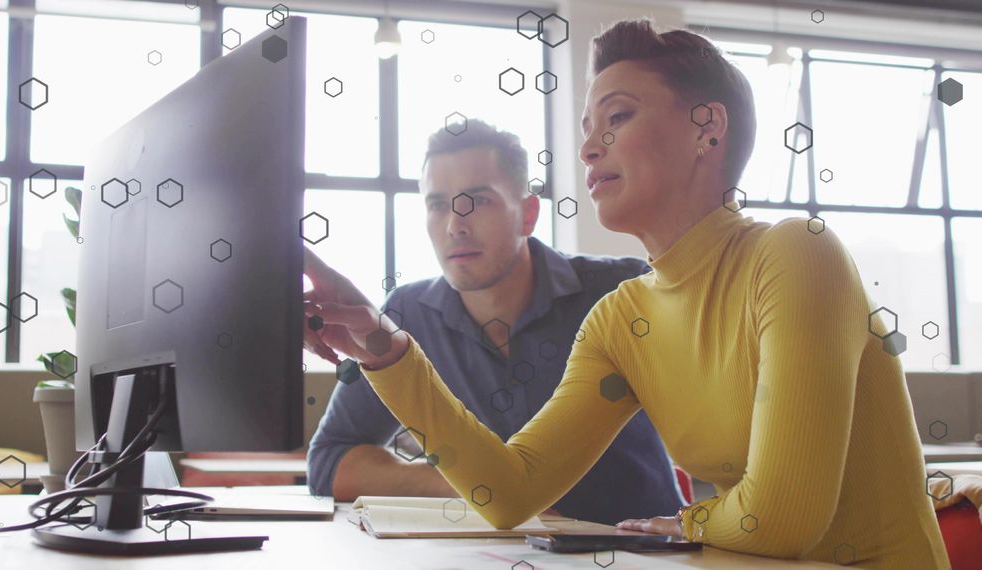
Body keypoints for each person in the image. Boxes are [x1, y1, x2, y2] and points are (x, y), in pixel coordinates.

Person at [302, 20, 949, 569]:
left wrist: (682, 522)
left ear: (707, 129)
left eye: (617, 117)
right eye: (587, 127)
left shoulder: (793, 253)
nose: (587, 147)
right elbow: (506, 493)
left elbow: (781, 520)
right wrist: (386, 351)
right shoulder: (623, 317)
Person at [305, 119, 684, 525]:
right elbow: (329, 463)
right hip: (491, 556)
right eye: (437, 205)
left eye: (478, 201)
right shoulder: (405, 314)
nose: (455, 225)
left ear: (527, 214)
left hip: (640, 552)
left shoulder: (619, 289)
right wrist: (465, 485)